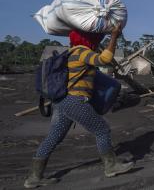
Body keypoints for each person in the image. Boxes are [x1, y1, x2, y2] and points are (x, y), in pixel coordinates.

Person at [24, 24, 134, 188]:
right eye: (95, 38)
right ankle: (111, 166)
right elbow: (104, 60)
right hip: (74, 100)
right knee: (102, 129)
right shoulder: (81, 51)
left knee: (54, 137)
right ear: (87, 39)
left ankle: (34, 177)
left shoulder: (71, 51)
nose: (97, 41)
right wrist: (114, 37)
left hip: (63, 102)